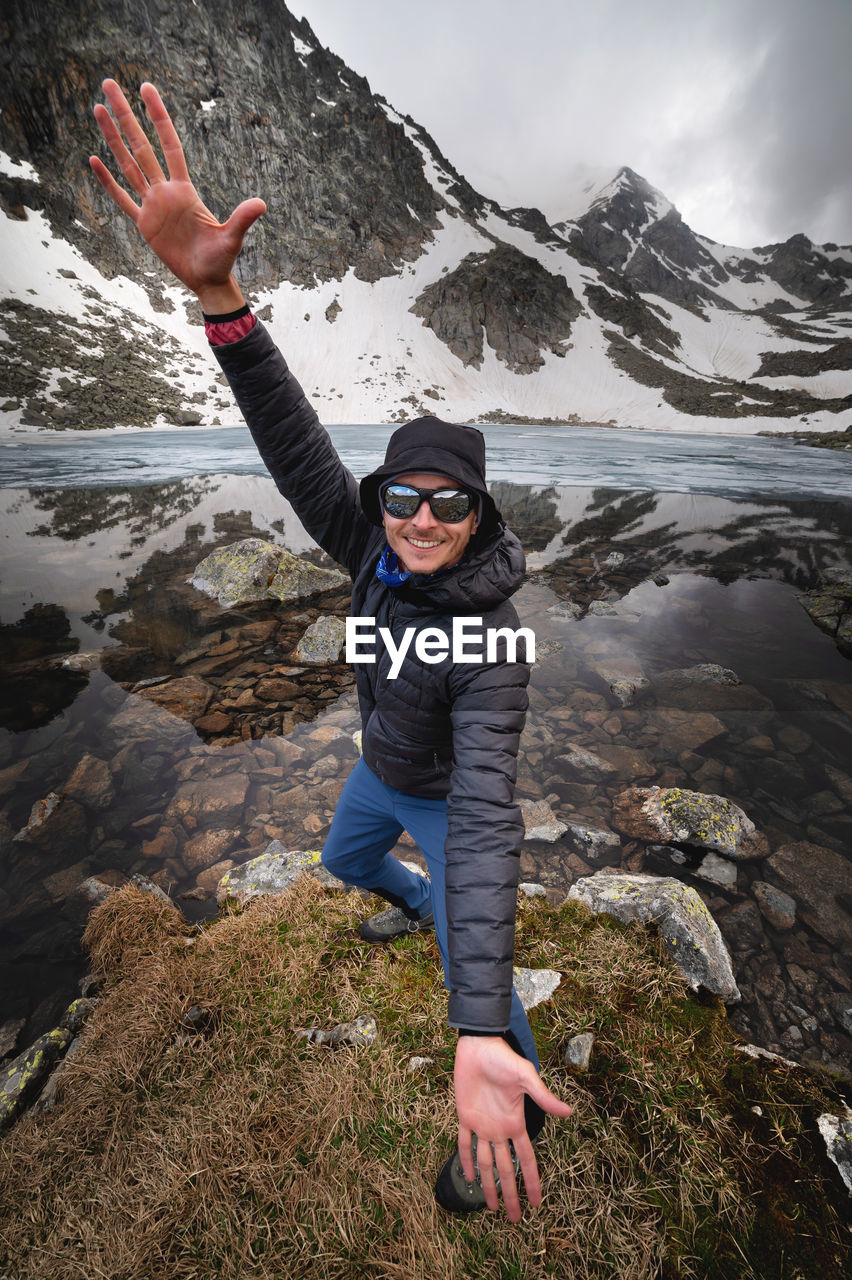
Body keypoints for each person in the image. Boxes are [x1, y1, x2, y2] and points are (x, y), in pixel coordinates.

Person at [90, 79, 572, 1222]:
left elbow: (496, 815)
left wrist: (470, 1024)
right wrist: (220, 299)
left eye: (448, 505)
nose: (419, 519)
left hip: (450, 799)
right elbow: (293, 435)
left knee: (481, 966)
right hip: (377, 770)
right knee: (344, 866)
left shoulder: (495, 644)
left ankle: (516, 1083)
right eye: (403, 494)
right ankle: (402, 898)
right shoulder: (367, 546)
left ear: (481, 519)